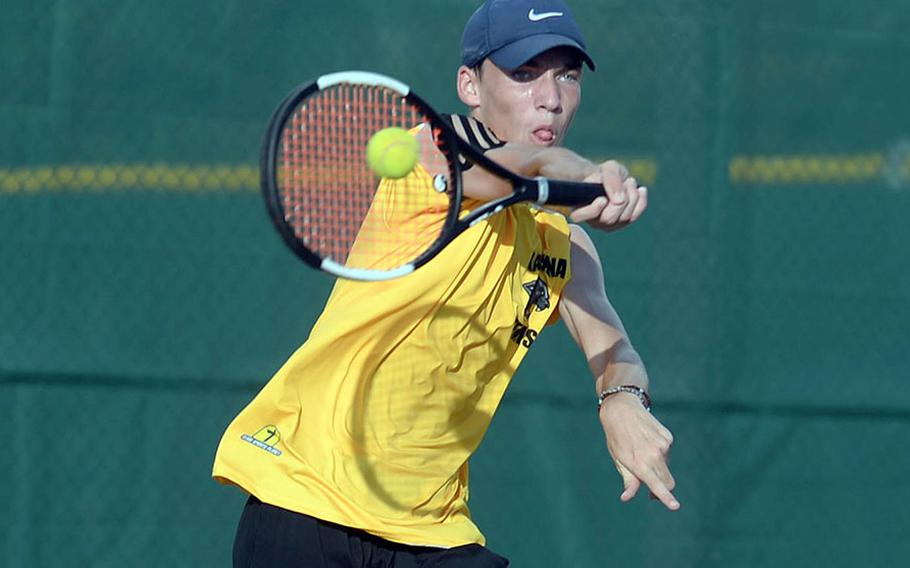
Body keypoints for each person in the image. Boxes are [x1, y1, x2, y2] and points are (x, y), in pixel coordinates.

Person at [214, 0, 678, 565]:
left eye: (567, 76)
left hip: (431, 528)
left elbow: (615, 348)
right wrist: (585, 173)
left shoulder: (566, 247)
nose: (551, 98)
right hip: (306, 497)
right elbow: (526, 166)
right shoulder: (430, 153)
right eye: (525, 74)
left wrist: (621, 400)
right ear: (471, 85)